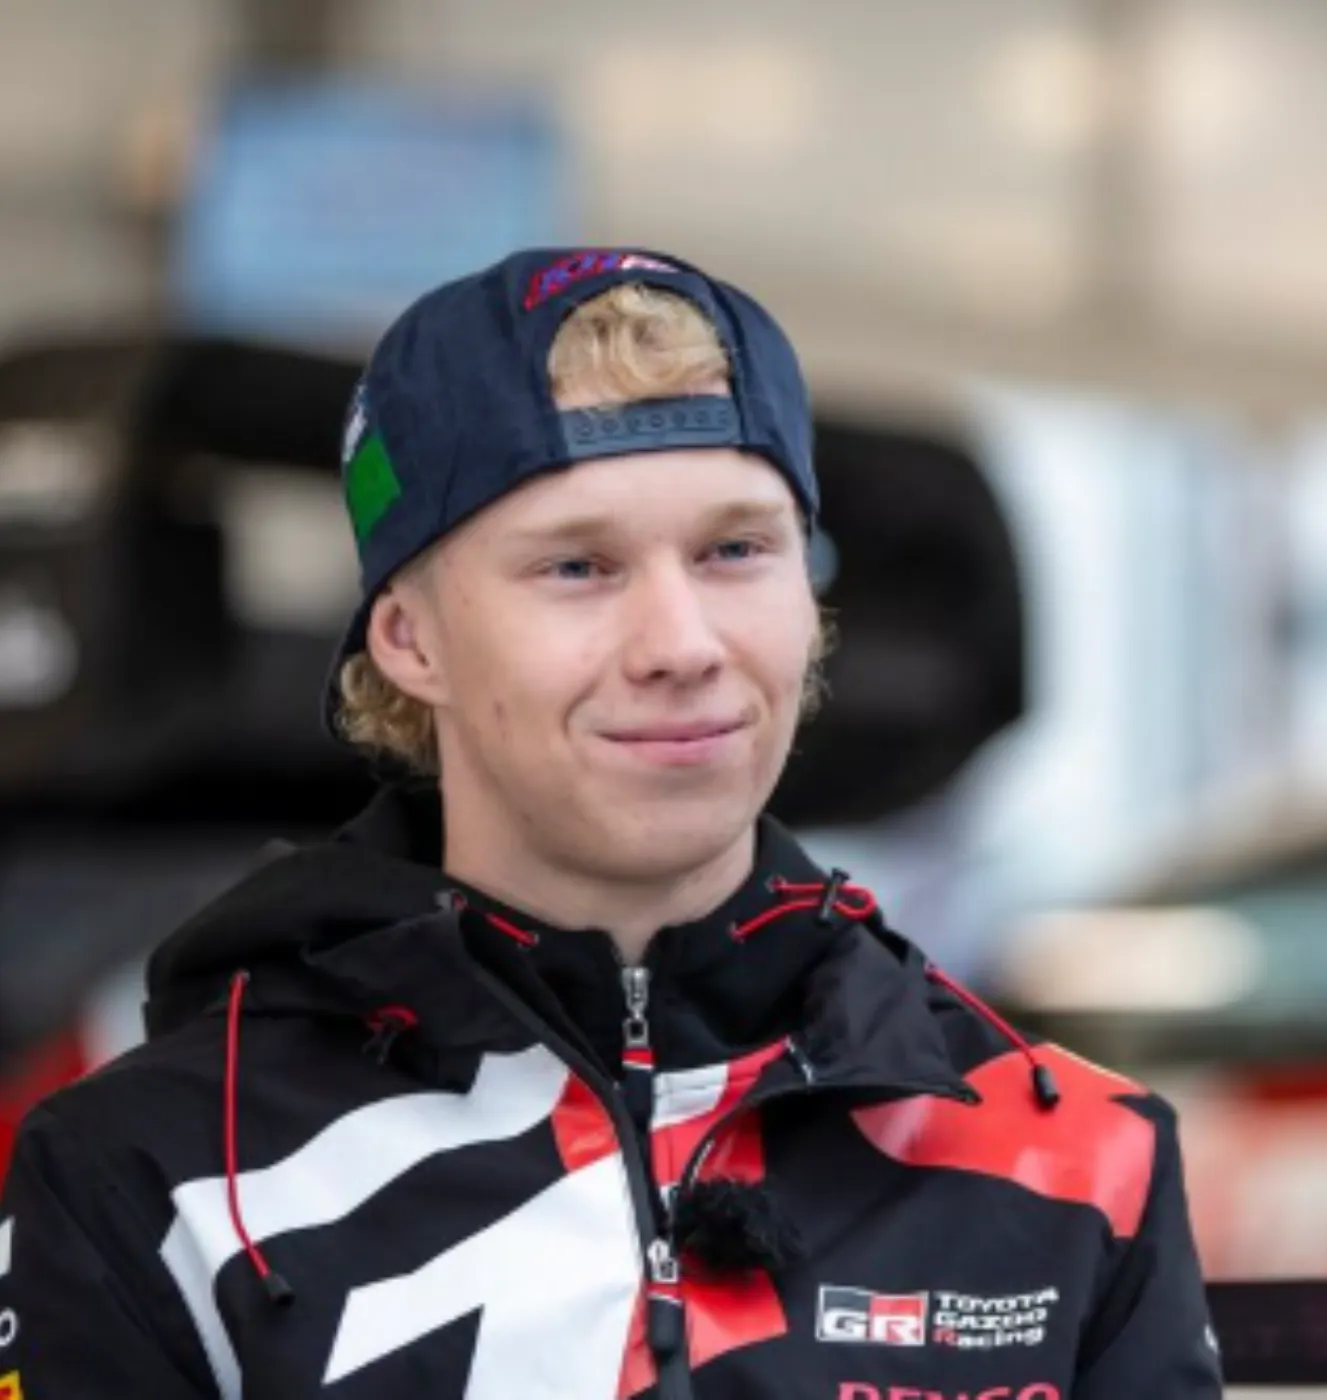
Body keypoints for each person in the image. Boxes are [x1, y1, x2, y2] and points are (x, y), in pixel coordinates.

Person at [0, 248, 1224, 1400]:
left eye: (736, 549)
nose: (681, 644)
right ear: (409, 638)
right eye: (577, 567)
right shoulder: (161, 1175)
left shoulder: (1074, 1156)